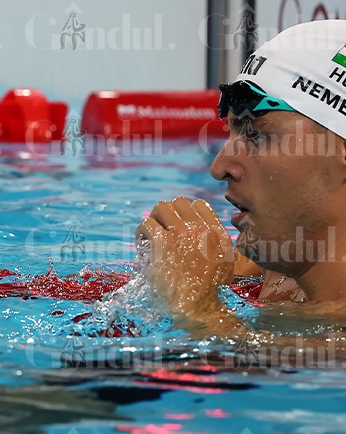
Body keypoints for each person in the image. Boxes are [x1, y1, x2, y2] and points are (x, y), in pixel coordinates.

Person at [139, 19, 346, 338]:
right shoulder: (281, 263)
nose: (219, 167)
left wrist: (197, 306)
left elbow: (256, 372)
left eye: (258, 136)